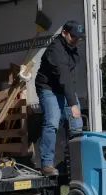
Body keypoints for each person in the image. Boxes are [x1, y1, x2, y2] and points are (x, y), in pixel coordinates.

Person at [35, 20, 85, 176]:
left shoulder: (72, 48)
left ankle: (76, 162)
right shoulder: (55, 50)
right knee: (52, 121)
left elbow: (70, 77)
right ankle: (47, 164)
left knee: (77, 123)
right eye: (73, 37)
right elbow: (63, 77)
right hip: (48, 88)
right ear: (64, 33)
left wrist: (72, 102)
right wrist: (73, 104)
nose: (76, 40)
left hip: (63, 87)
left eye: (78, 38)